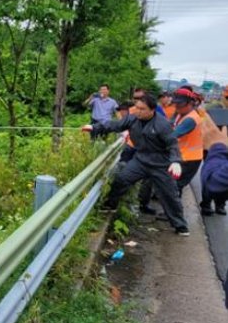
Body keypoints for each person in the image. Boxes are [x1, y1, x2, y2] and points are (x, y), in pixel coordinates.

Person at [82, 93, 189, 236]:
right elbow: (114, 125)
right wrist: (94, 127)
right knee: (121, 179)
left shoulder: (163, 125)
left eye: (142, 109)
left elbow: (173, 145)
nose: (138, 111)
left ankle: (180, 225)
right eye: (137, 108)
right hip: (141, 160)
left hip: (160, 164)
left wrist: (175, 162)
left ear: (152, 110)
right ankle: (110, 205)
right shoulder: (132, 119)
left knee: (170, 195)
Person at [200, 115, 228, 214]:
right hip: (212, 149)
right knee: (212, 177)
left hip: (220, 149)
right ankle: (206, 204)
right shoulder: (212, 114)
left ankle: (220, 205)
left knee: (220, 180)